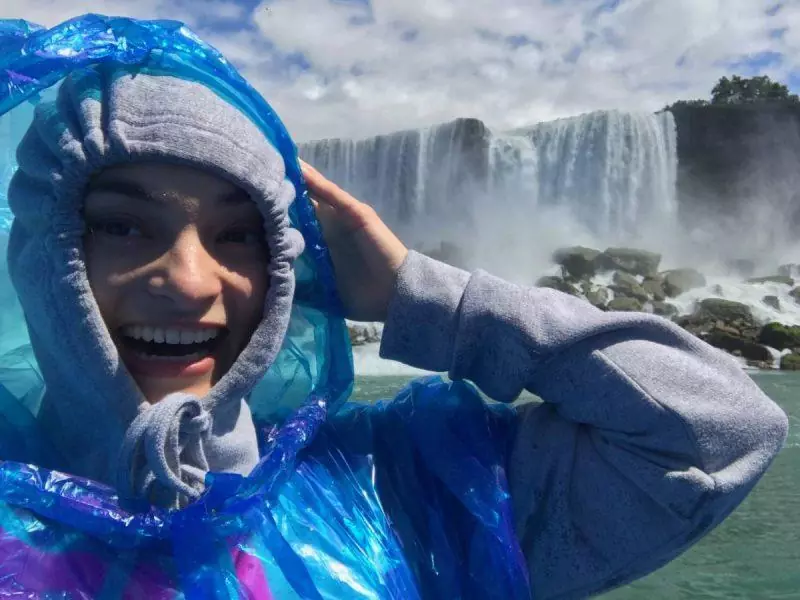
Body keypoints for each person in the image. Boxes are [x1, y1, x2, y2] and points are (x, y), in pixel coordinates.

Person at [0, 32, 789, 600]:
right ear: (38, 253)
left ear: (284, 271)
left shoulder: (402, 491)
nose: (188, 280)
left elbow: (719, 428)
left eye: (240, 234)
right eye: (121, 224)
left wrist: (417, 293)